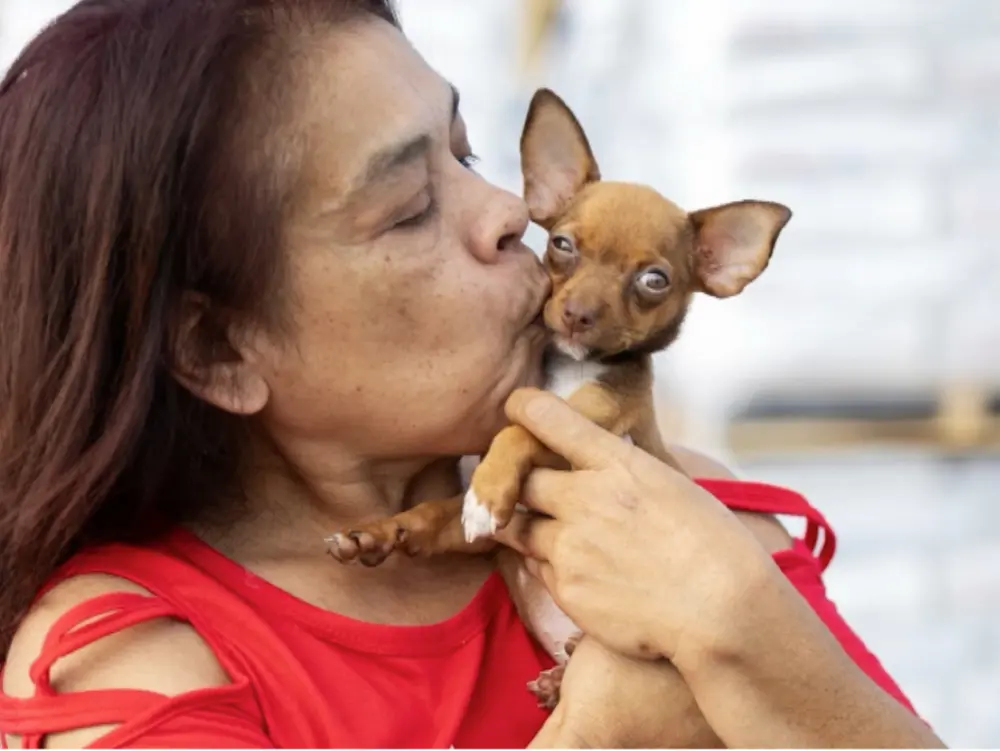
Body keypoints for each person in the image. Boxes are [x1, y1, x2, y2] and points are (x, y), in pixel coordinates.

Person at [0, 0, 944, 748]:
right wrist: (593, 735)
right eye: (410, 207)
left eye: (467, 152)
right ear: (219, 349)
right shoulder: (138, 663)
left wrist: (743, 620)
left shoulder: (680, 517)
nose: (507, 212)